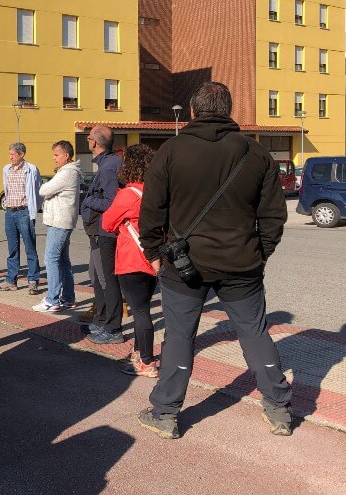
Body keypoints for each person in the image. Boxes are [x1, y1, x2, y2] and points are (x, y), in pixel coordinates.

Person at [137, 82, 292, 439]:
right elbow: (273, 215)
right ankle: (279, 408)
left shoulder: (172, 151)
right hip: (242, 265)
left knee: (179, 336)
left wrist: (154, 254)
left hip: (184, 265)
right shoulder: (256, 154)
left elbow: (152, 212)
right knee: (254, 333)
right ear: (229, 109)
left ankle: (165, 413)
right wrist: (260, 252)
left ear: (193, 111)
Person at [101, 144, 158, 377]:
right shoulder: (157, 193)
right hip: (153, 258)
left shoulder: (128, 194)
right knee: (142, 307)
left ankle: (146, 361)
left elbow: (107, 223)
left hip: (131, 258)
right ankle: (138, 353)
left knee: (141, 311)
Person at [80, 125, 124, 344]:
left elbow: (112, 202)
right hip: (98, 230)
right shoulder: (108, 163)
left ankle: (113, 328)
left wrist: (87, 200)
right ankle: (102, 319)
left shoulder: (108, 167)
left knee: (106, 279)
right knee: (97, 276)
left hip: (104, 231)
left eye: (89, 138)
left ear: (94, 142)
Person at [33, 140, 83, 313]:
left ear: (66, 155)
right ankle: (68, 298)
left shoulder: (67, 172)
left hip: (59, 222)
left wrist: (45, 186)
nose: (54, 158)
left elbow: (44, 190)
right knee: (62, 260)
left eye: (56, 154)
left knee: (51, 259)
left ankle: (52, 299)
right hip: (60, 220)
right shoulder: (66, 171)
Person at [0, 143, 42, 295]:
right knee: (12, 249)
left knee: (30, 248)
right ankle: (11, 281)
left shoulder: (31, 169)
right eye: (9, 154)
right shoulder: (6, 169)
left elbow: (37, 191)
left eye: (13, 154)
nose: (10, 157)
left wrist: (32, 210)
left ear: (22, 154)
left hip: (24, 212)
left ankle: (33, 281)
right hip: (10, 212)